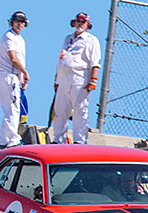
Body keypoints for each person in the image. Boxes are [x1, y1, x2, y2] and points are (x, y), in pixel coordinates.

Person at [52, 12, 101, 144]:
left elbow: (95, 62)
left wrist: (93, 79)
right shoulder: (68, 38)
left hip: (79, 77)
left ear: (87, 25)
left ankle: (80, 140)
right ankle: (58, 139)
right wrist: (57, 79)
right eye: (78, 21)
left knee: (80, 110)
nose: (80, 23)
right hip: (64, 78)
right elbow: (62, 58)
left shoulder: (91, 40)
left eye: (83, 22)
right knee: (60, 109)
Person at [0, 11, 30, 149]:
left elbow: (19, 60)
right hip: (8, 76)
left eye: (22, 21)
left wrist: (22, 78)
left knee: (11, 109)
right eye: (17, 20)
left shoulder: (20, 39)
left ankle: (3, 140)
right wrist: (25, 73)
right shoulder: (9, 36)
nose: (19, 23)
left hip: (15, 77)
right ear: (12, 21)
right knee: (12, 109)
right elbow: (13, 58)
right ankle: (13, 139)